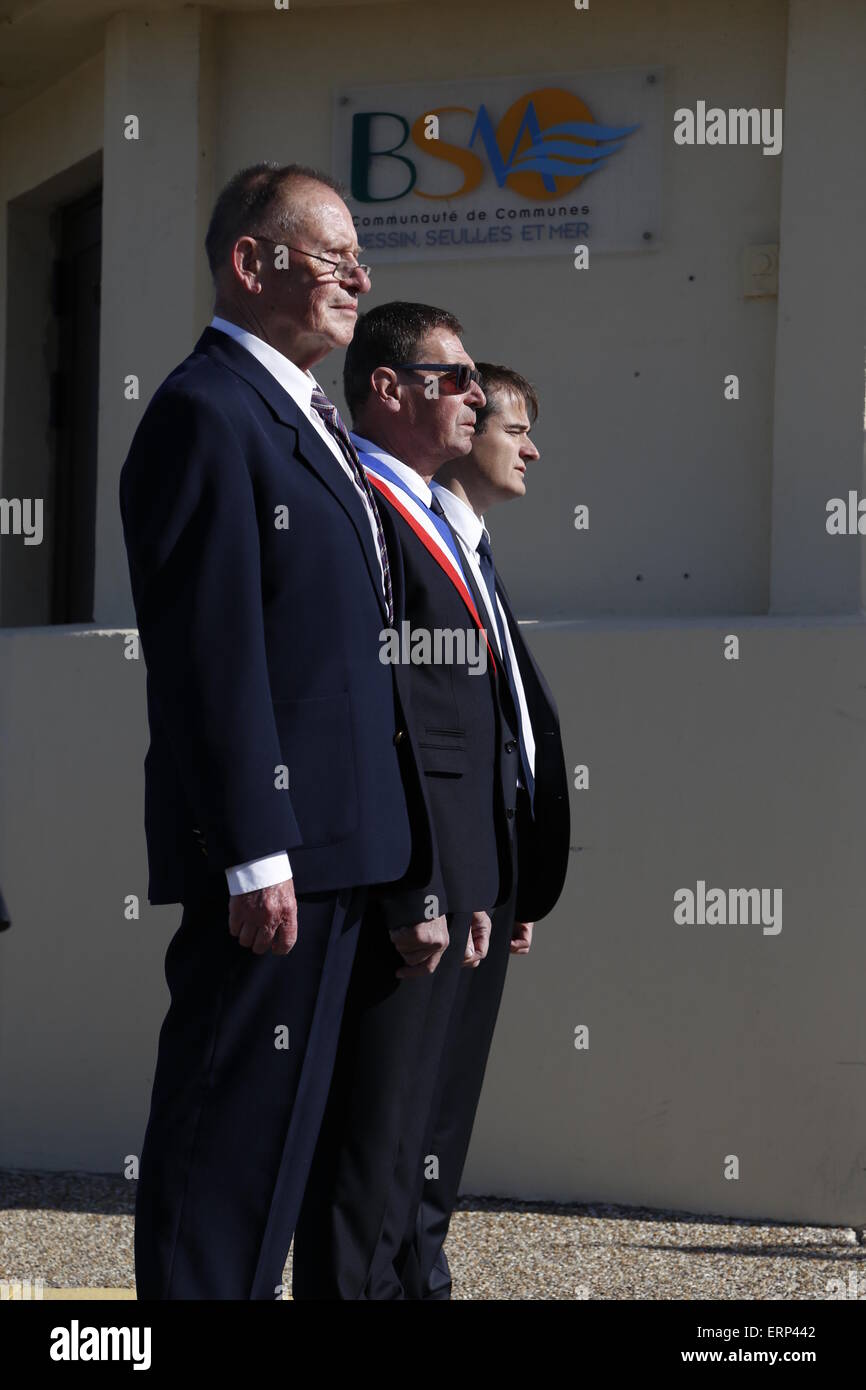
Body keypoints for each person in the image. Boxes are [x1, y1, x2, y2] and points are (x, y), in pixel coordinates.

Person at [119, 167, 438, 1301]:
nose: (360, 276)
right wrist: (256, 850)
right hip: (276, 862)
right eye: (335, 254)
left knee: (300, 1151)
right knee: (228, 1157)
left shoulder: (312, 421)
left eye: (361, 256)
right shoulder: (206, 413)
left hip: (347, 851)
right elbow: (213, 660)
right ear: (254, 265)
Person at [292, 303, 519, 1299]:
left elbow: (465, 723)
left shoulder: (425, 513)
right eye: (456, 376)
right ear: (388, 389)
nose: (476, 393)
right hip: (399, 882)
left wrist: (481, 878)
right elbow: (383, 720)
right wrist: (420, 886)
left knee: (412, 1152)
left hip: (453, 879)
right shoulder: (369, 513)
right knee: (365, 1155)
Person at [406, 361, 572, 1299]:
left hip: (490, 872)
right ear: (466, 433)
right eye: (516, 429)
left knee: (446, 1113)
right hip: (443, 879)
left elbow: (506, 726)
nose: (531, 450)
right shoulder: (418, 540)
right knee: (408, 1118)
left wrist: (514, 870)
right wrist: (459, 874)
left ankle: (424, 1274)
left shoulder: (475, 552)